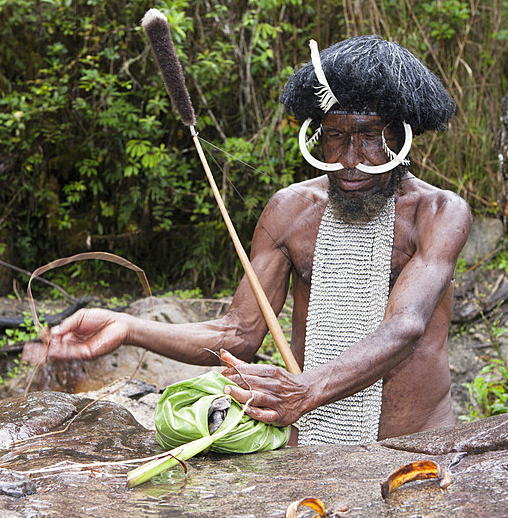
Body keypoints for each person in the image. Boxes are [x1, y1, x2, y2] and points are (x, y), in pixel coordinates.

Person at [41, 35, 471, 445]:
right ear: (317, 136)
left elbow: (405, 326)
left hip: (417, 448)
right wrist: (129, 327)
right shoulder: (291, 210)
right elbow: (238, 334)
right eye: (336, 136)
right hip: (314, 450)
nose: (351, 160)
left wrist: (305, 390)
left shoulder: (437, 213)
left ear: (403, 136)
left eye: (371, 136)